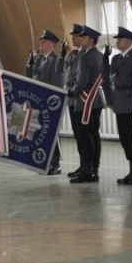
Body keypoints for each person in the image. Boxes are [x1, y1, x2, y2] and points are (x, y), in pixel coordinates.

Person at [104, 26, 132, 185]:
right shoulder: (115, 59)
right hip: (119, 103)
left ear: (128, 41)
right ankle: (131, 169)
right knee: (125, 138)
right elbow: (109, 79)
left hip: (130, 103)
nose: (117, 42)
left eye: (120, 39)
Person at [25, 30, 64, 174]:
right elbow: (31, 78)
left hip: (51, 103)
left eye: (45, 42)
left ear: (52, 44)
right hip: (39, 102)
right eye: (41, 41)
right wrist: (29, 64)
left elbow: (57, 84)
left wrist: (53, 102)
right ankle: (46, 160)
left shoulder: (56, 60)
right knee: (43, 133)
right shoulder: (40, 59)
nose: (41, 44)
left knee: (53, 133)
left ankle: (56, 162)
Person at [69, 26, 104, 183]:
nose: (81, 39)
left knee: (85, 137)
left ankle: (87, 170)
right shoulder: (100, 56)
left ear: (91, 40)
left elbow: (81, 82)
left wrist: (72, 91)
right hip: (96, 100)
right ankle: (94, 169)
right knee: (94, 136)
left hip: (84, 102)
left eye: (84, 37)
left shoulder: (84, 57)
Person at [63, 24, 84, 178]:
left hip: (81, 97)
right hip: (71, 97)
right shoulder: (72, 55)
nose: (73, 38)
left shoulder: (85, 55)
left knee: (84, 134)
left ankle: (88, 166)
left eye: (75, 36)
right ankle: (82, 164)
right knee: (78, 134)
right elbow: (65, 72)